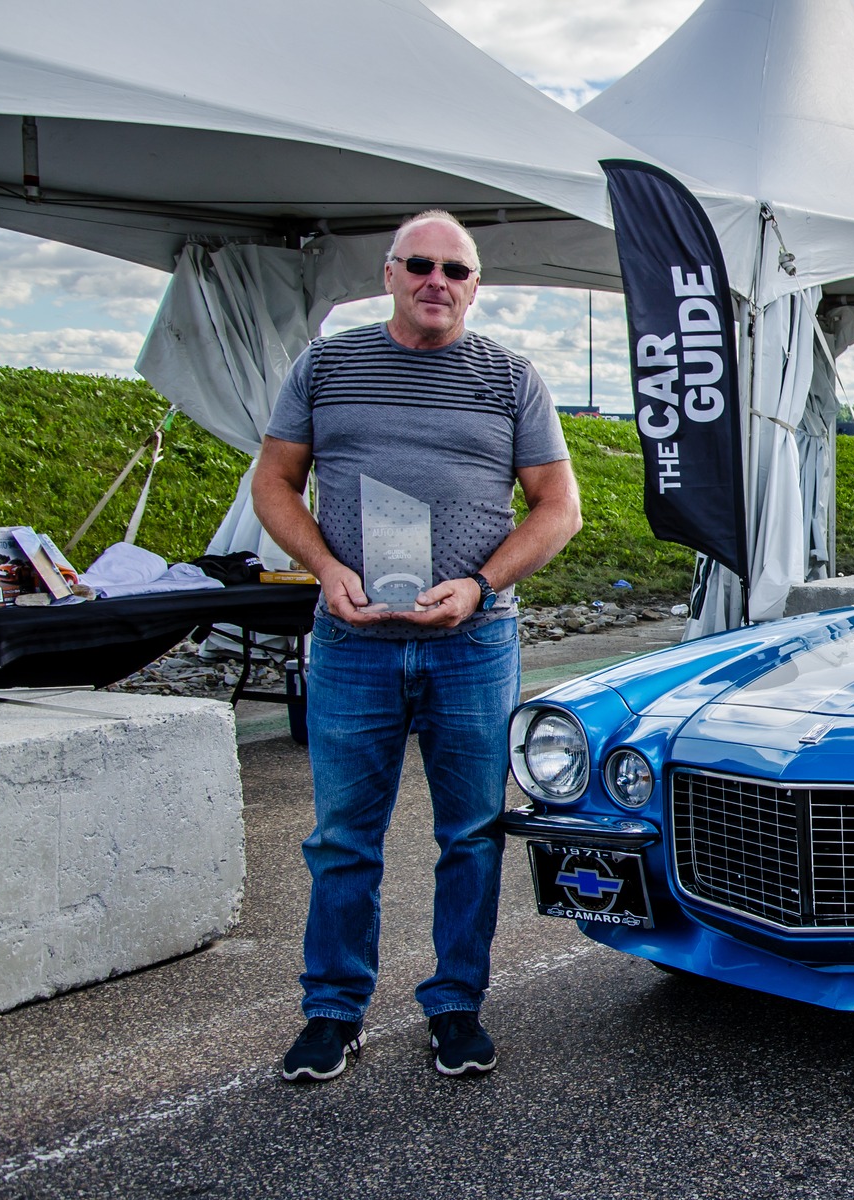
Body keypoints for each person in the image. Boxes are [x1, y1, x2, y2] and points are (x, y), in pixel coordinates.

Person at [252, 211, 583, 1083]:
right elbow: (275, 482)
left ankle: (455, 1007)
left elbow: (558, 507)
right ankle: (332, 1011)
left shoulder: (511, 377)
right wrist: (323, 568)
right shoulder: (326, 364)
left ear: (475, 285)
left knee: (471, 832)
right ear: (390, 273)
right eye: (421, 266)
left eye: (458, 270)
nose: (439, 281)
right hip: (353, 639)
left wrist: (480, 584)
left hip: (472, 642)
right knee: (342, 837)